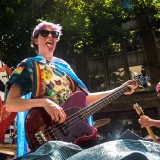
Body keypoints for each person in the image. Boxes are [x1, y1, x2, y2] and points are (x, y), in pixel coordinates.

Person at [5, 20, 139, 159]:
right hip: (45, 131)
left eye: (55, 34)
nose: (50, 36)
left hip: (75, 132)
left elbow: (86, 98)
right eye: (44, 33)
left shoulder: (64, 66)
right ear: (35, 40)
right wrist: (45, 103)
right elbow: (10, 104)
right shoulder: (28, 64)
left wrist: (120, 89)